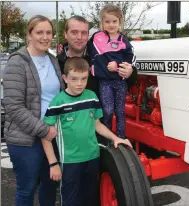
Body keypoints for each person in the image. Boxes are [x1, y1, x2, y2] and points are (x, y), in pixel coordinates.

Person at [41, 56, 132, 206]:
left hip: (92, 158)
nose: (79, 84)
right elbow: (46, 137)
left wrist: (115, 138)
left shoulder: (92, 97)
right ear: (65, 78)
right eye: (74, 79)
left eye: (83, 79)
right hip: (69, 161)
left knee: (90, 199)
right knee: (70, 200)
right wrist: (53, 164)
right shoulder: (57, 103)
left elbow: (97, 124)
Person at [3, 15, 64, 206]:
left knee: (49, 185)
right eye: (39, 32)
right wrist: (43, 129)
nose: (45, 37)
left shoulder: (53, 60)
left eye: (48, 33)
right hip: (26, 139)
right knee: (26, 189)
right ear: (29, 35)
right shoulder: (17, 62)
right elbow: (13, 106)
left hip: (52, 135)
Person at [57, 15, 137, 98]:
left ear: (88, 34)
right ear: (65, 34)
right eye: (74, 32)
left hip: (98, 110)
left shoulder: (100, 55)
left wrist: (130, 73)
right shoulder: (57, 63)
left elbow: (125, 80)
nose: (79, 37)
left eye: (84, 33)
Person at [88, 4, 135, 139]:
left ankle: (121, 138)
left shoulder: (123, 41)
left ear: (120, 22)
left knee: (120, 111)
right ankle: (107, 138)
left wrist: (118, 65)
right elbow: (86, 48)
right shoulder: (97, 38)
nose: (111, 24)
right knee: (107, 110)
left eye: (114, 21)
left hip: (120, 82)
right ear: (102, 23)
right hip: (105, 82)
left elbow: (130, 59)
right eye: (107, 21)